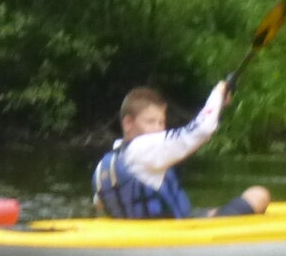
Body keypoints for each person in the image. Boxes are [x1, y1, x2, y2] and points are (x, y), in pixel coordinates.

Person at [93, 82, 269, 221]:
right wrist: (218, 92)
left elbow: (101, 205)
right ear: (128, 123)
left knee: (215, 209)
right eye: (150, 122)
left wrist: (218, 108)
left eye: (161, 123)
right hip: (168, 234)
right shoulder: (143, 149)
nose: (158, 130)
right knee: (259, 195)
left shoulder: (108, 163)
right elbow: (201, 130)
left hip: (151, 230)